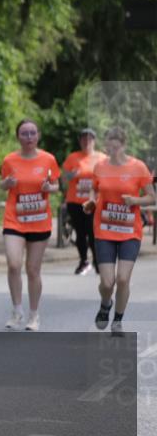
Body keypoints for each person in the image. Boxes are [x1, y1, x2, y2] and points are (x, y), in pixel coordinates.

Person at [84, 127, 155, 336]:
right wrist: (90, 201)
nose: (112, 151)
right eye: (109, 146)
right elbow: (94, 188)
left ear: (124, 145)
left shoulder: (138, 167)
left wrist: (136, 200)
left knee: (123, 279)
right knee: (107, 282)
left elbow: (152, 197)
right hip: (104, 230)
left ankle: (117, 321)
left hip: (129, 232)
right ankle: (106, 303)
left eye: (116, 147)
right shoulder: (100, 166)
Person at [0, 118, 61, 331]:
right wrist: (6, 184)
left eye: (32, 133)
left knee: (33, 270)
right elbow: (1, 183)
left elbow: (56, 186)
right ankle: (17, 311)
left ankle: (34, 315)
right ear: (18, 137)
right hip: (14, 219)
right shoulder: (9, 160)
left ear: (38, 136)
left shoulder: (48, 159)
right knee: (14, 264)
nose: (29, 137)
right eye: (24, 133)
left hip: (39, 221)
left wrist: (48, 188)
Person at [60, 128, 106, 275]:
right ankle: (84, 261)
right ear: (80, 141)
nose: (87, 142)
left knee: (93, 232)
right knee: (80, 233)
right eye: (84, 139)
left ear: (94, 141)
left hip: (94, 202)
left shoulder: (102, 158)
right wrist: (72, 175)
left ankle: (98, 262)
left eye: (90, 139)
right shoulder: (73, 157)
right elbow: (63, 178)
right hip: (75, 201)